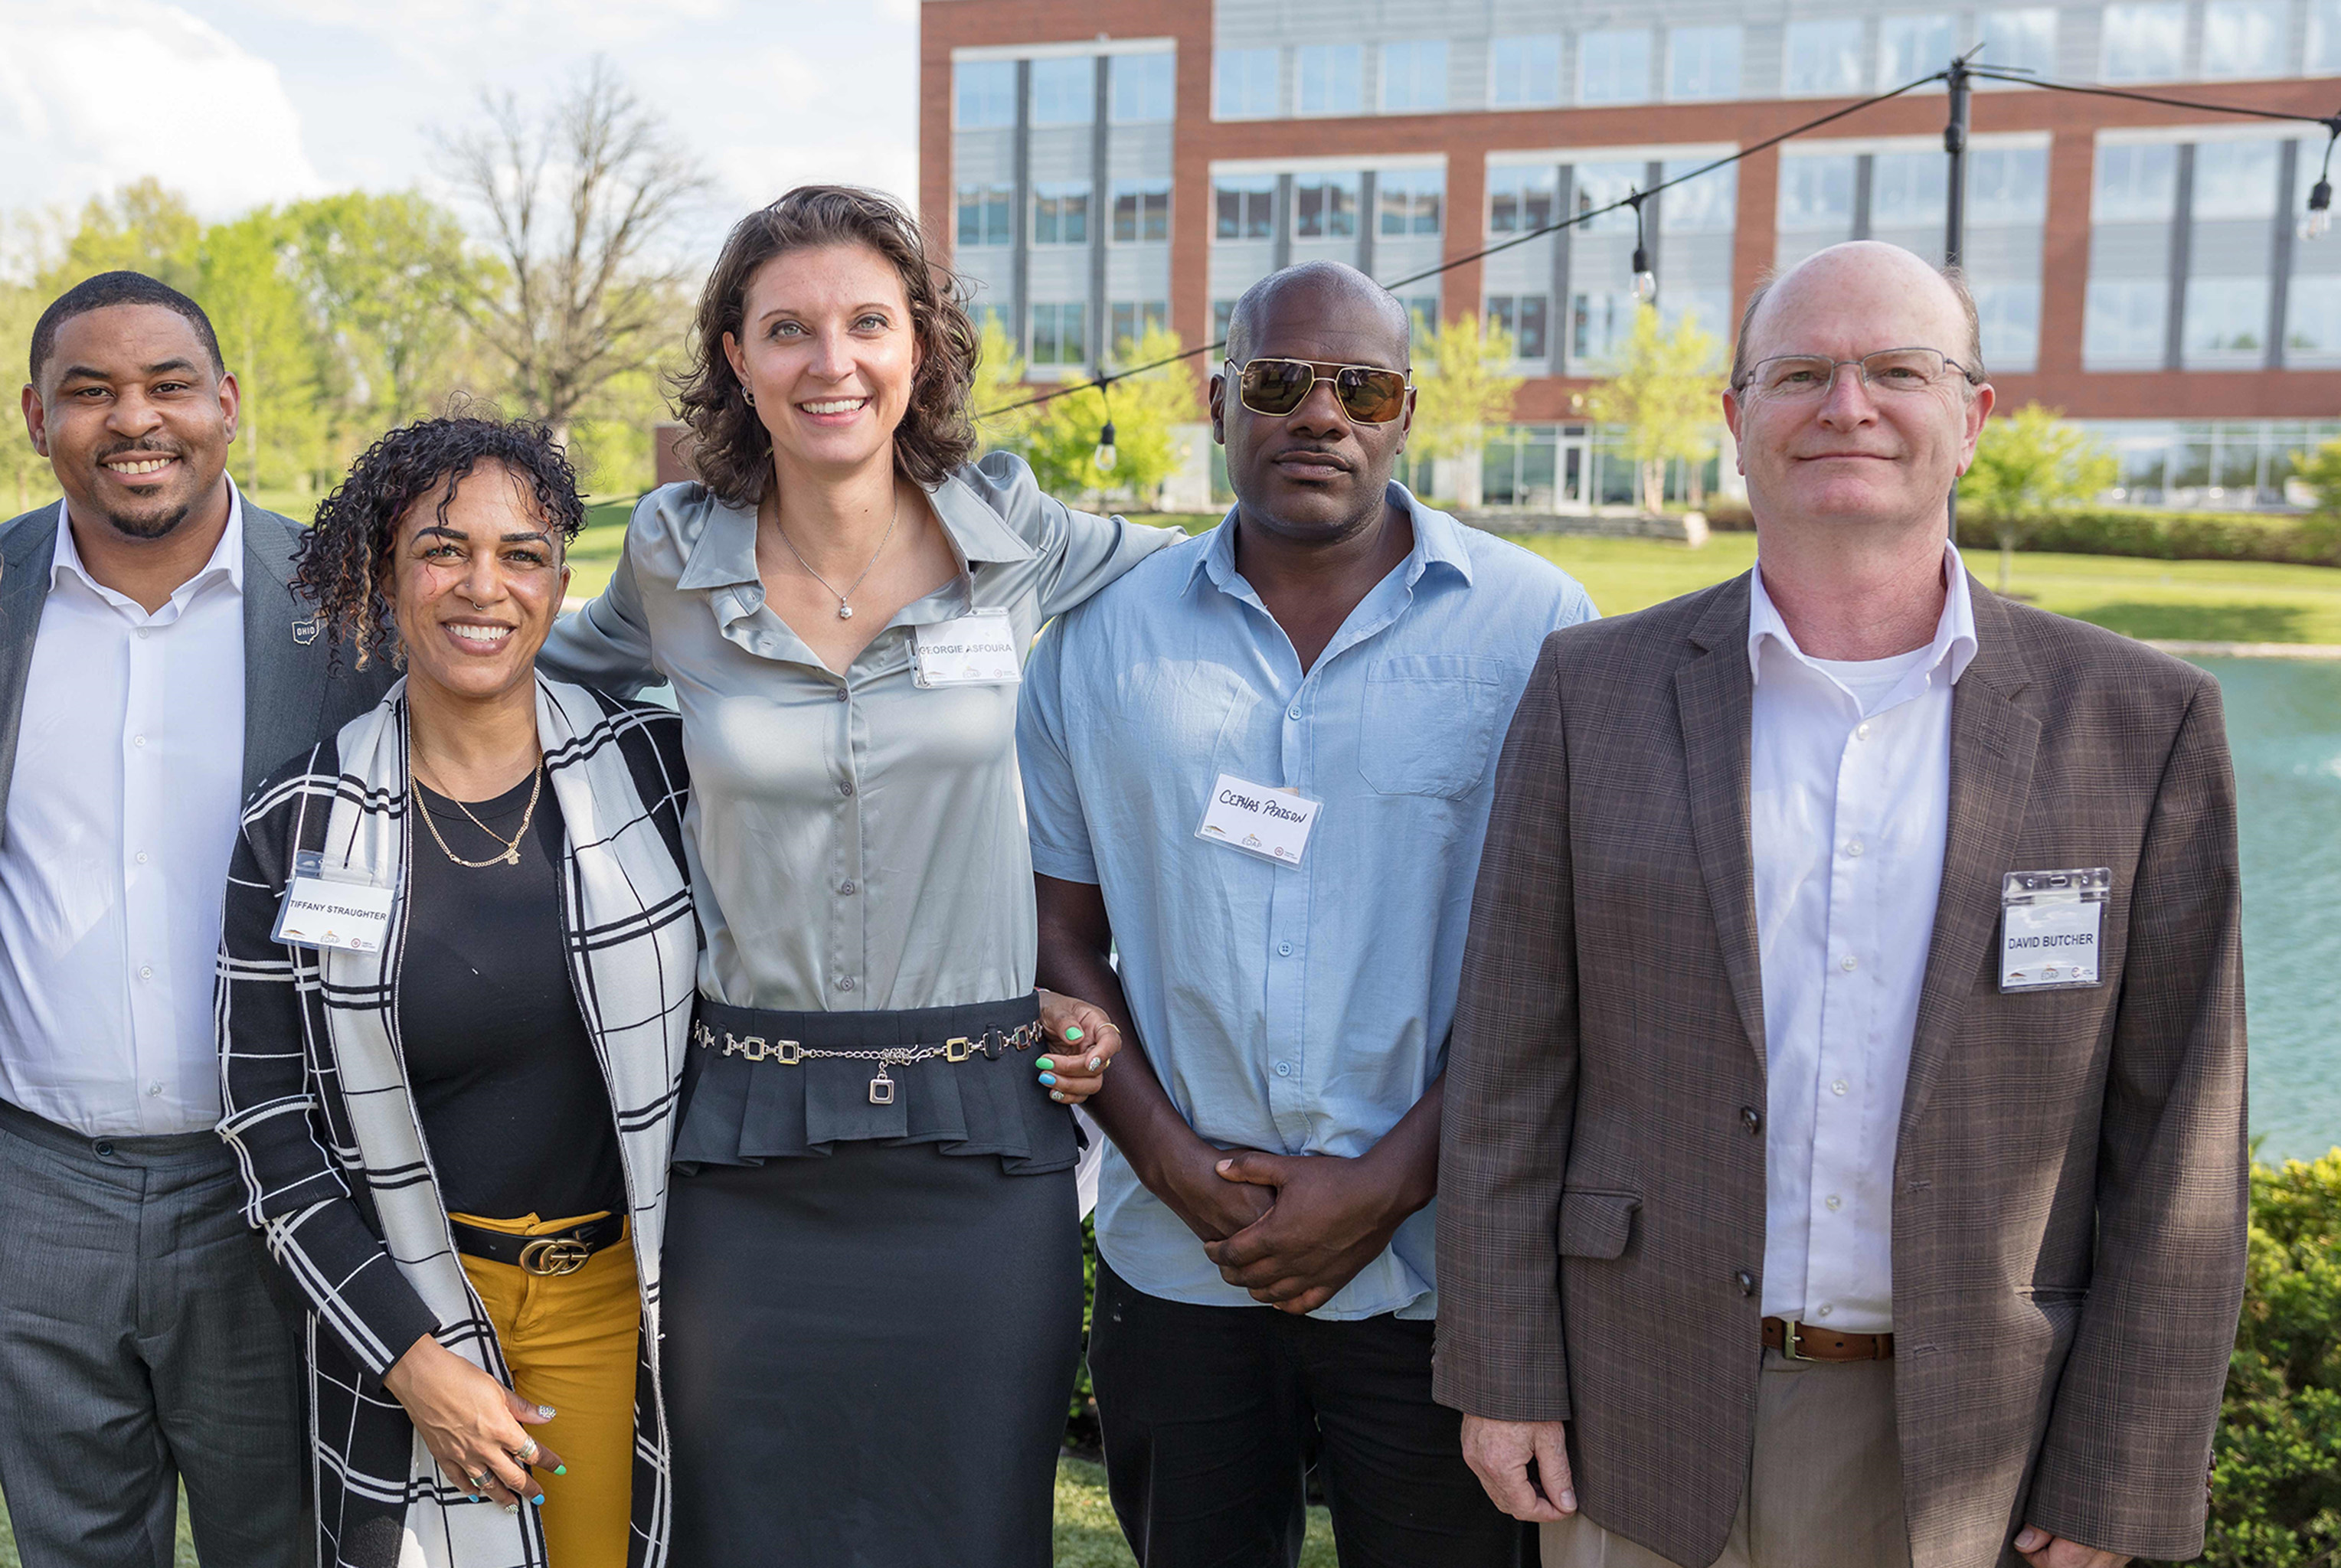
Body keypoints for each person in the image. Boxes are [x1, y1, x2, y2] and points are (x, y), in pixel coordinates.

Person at [1435, 240, 2249, 1568]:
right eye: (1800, 371)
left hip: (1973, 1446)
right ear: (1736, 420)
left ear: (1973, 416)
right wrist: (1501, 1364)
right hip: (1632, 1412)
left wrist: (2123, 1469)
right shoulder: (1592, 692)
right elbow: (1510, 1067)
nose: (1846, 405)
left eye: (1897, 370)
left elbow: (2184, 1141)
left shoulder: (2140, 724)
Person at [534, 184, 1157, 1567]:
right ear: (738, 361)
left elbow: (1225, 602)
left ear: (920, 349)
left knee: (972, 1528)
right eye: (789, 330)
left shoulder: (1016, 541)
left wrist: (1102, 974)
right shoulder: (670, 557)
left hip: (982, 1146)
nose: (834, 362)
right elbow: (516, 684)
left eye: (869, 323)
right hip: (745, 1152)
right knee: (743, 1530)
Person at [1018, 260, 1597, 1568]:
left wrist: (1385, 1185)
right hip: (1180, 1268)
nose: (1318, 415)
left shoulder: (1538, 629)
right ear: (1219, 400)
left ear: (1405, 412)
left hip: (1442, 1272)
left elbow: (1568, 970)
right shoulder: (1097, 638)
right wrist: (1172, 1167)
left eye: (1362, 386)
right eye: (1278, 382)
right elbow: (1057, 938)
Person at [214, 415, 698, 1567]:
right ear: (385, 576)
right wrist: (410, 1358)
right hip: (405, 1301)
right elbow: (267, 1125)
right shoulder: (299, 822)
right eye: (442, 549)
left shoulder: (663, 774)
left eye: (521, 554)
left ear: (560, 581)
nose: (484, 586)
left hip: (618, 1305)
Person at [0, 272, 394, 1567]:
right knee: (73, 1544)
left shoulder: (353, 605)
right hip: (31, 1186)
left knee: (282, 1538)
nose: (135, 419)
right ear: (34, 415)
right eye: (91, 390)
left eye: (169, 385)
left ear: (227, 404)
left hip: (275, 1186)